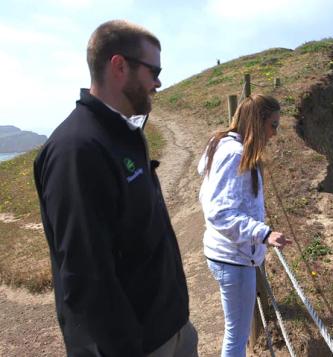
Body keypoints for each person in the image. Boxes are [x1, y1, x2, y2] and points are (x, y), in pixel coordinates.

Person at [34, 20, 197, 357]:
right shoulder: (76, 150)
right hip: (141, 346)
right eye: (154, 71)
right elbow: (85, 276)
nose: (159, 82)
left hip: (170, 330)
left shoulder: (123, 132)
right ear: (119, 66)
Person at [197, 94, 292, 357]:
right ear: (257, 122)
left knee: (235, 331)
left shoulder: (220, 143)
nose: (275, 133)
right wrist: (264, 233)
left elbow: (206, 183)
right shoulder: (235, 154)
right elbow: (219, 212)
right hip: (234, 260)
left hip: (228, 255)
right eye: (273, 125)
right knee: (236, 337)